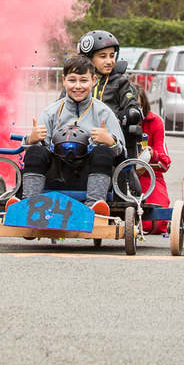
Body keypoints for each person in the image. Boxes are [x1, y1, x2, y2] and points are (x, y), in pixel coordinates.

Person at [23, 55, 125, 213]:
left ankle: (94, 207)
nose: (78, 86)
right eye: (72, 80)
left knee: (103, 151)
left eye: (84, 80)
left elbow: (123, 154)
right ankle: (28, 205)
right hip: (56, 176)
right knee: (35, 150)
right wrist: (31, 139)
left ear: (94, 80)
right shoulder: (51, 112)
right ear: (64, 81)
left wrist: (110, 142)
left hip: (90, 177)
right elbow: (37, 153)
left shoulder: (104, 112)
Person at [133, 86, 172, 234]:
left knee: (156, 223)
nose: (134, 111)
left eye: (138, 106)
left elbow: (165, 163)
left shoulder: (155, 121)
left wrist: (152, 153)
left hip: (147, 174)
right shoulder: (112, 119)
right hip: (118, 175)